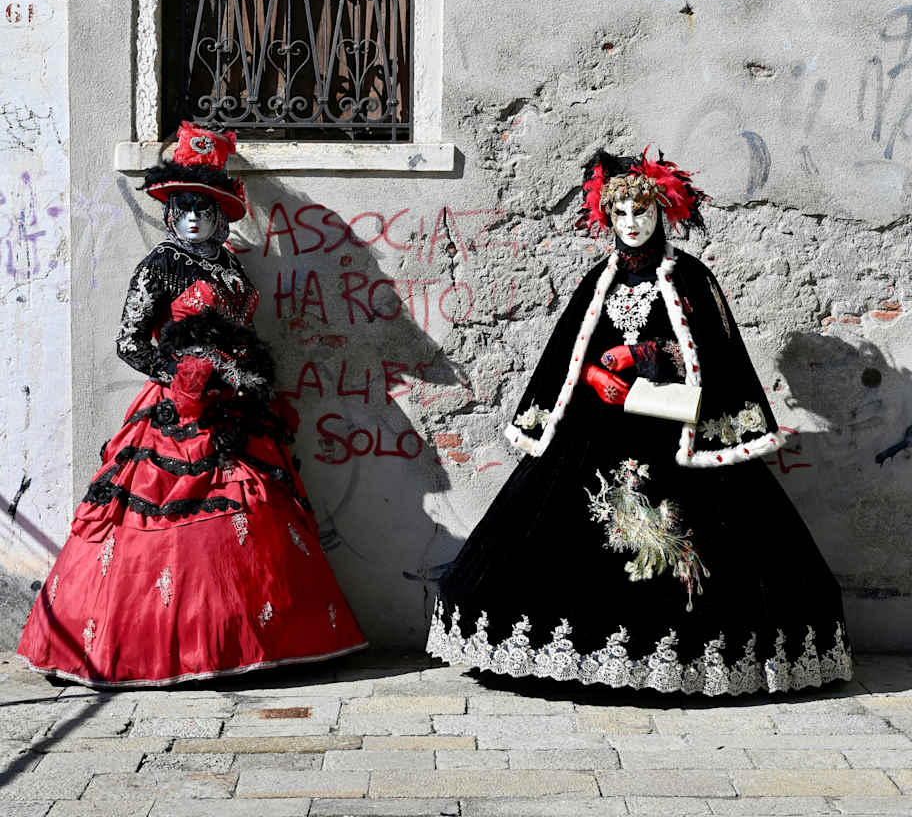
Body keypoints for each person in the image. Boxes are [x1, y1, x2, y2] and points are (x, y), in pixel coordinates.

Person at [427, 149, 851, 695]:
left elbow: (712, 354)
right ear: (607, 216)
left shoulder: (692, 278)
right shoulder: (596, 281)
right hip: (598, 426)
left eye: (642, 213)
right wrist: (594, 381)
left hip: (671, 430)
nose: (632, 224)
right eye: (621, 214)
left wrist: (643, 355)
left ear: (662, 214)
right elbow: (567, 354)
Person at [19, 122, 366, 686]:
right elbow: (129, 341)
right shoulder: (161, 264)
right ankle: (150, 649)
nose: (192, 218)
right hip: (177, 413)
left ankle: (245, 645)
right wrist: (184, 375)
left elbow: (239, 333)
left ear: (221, 214)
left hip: (235, 409)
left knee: (249, 508)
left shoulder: (230, 266)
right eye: (183, 207)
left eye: (203, 208)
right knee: (162, 520)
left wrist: (242, 375)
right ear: (170, 211)